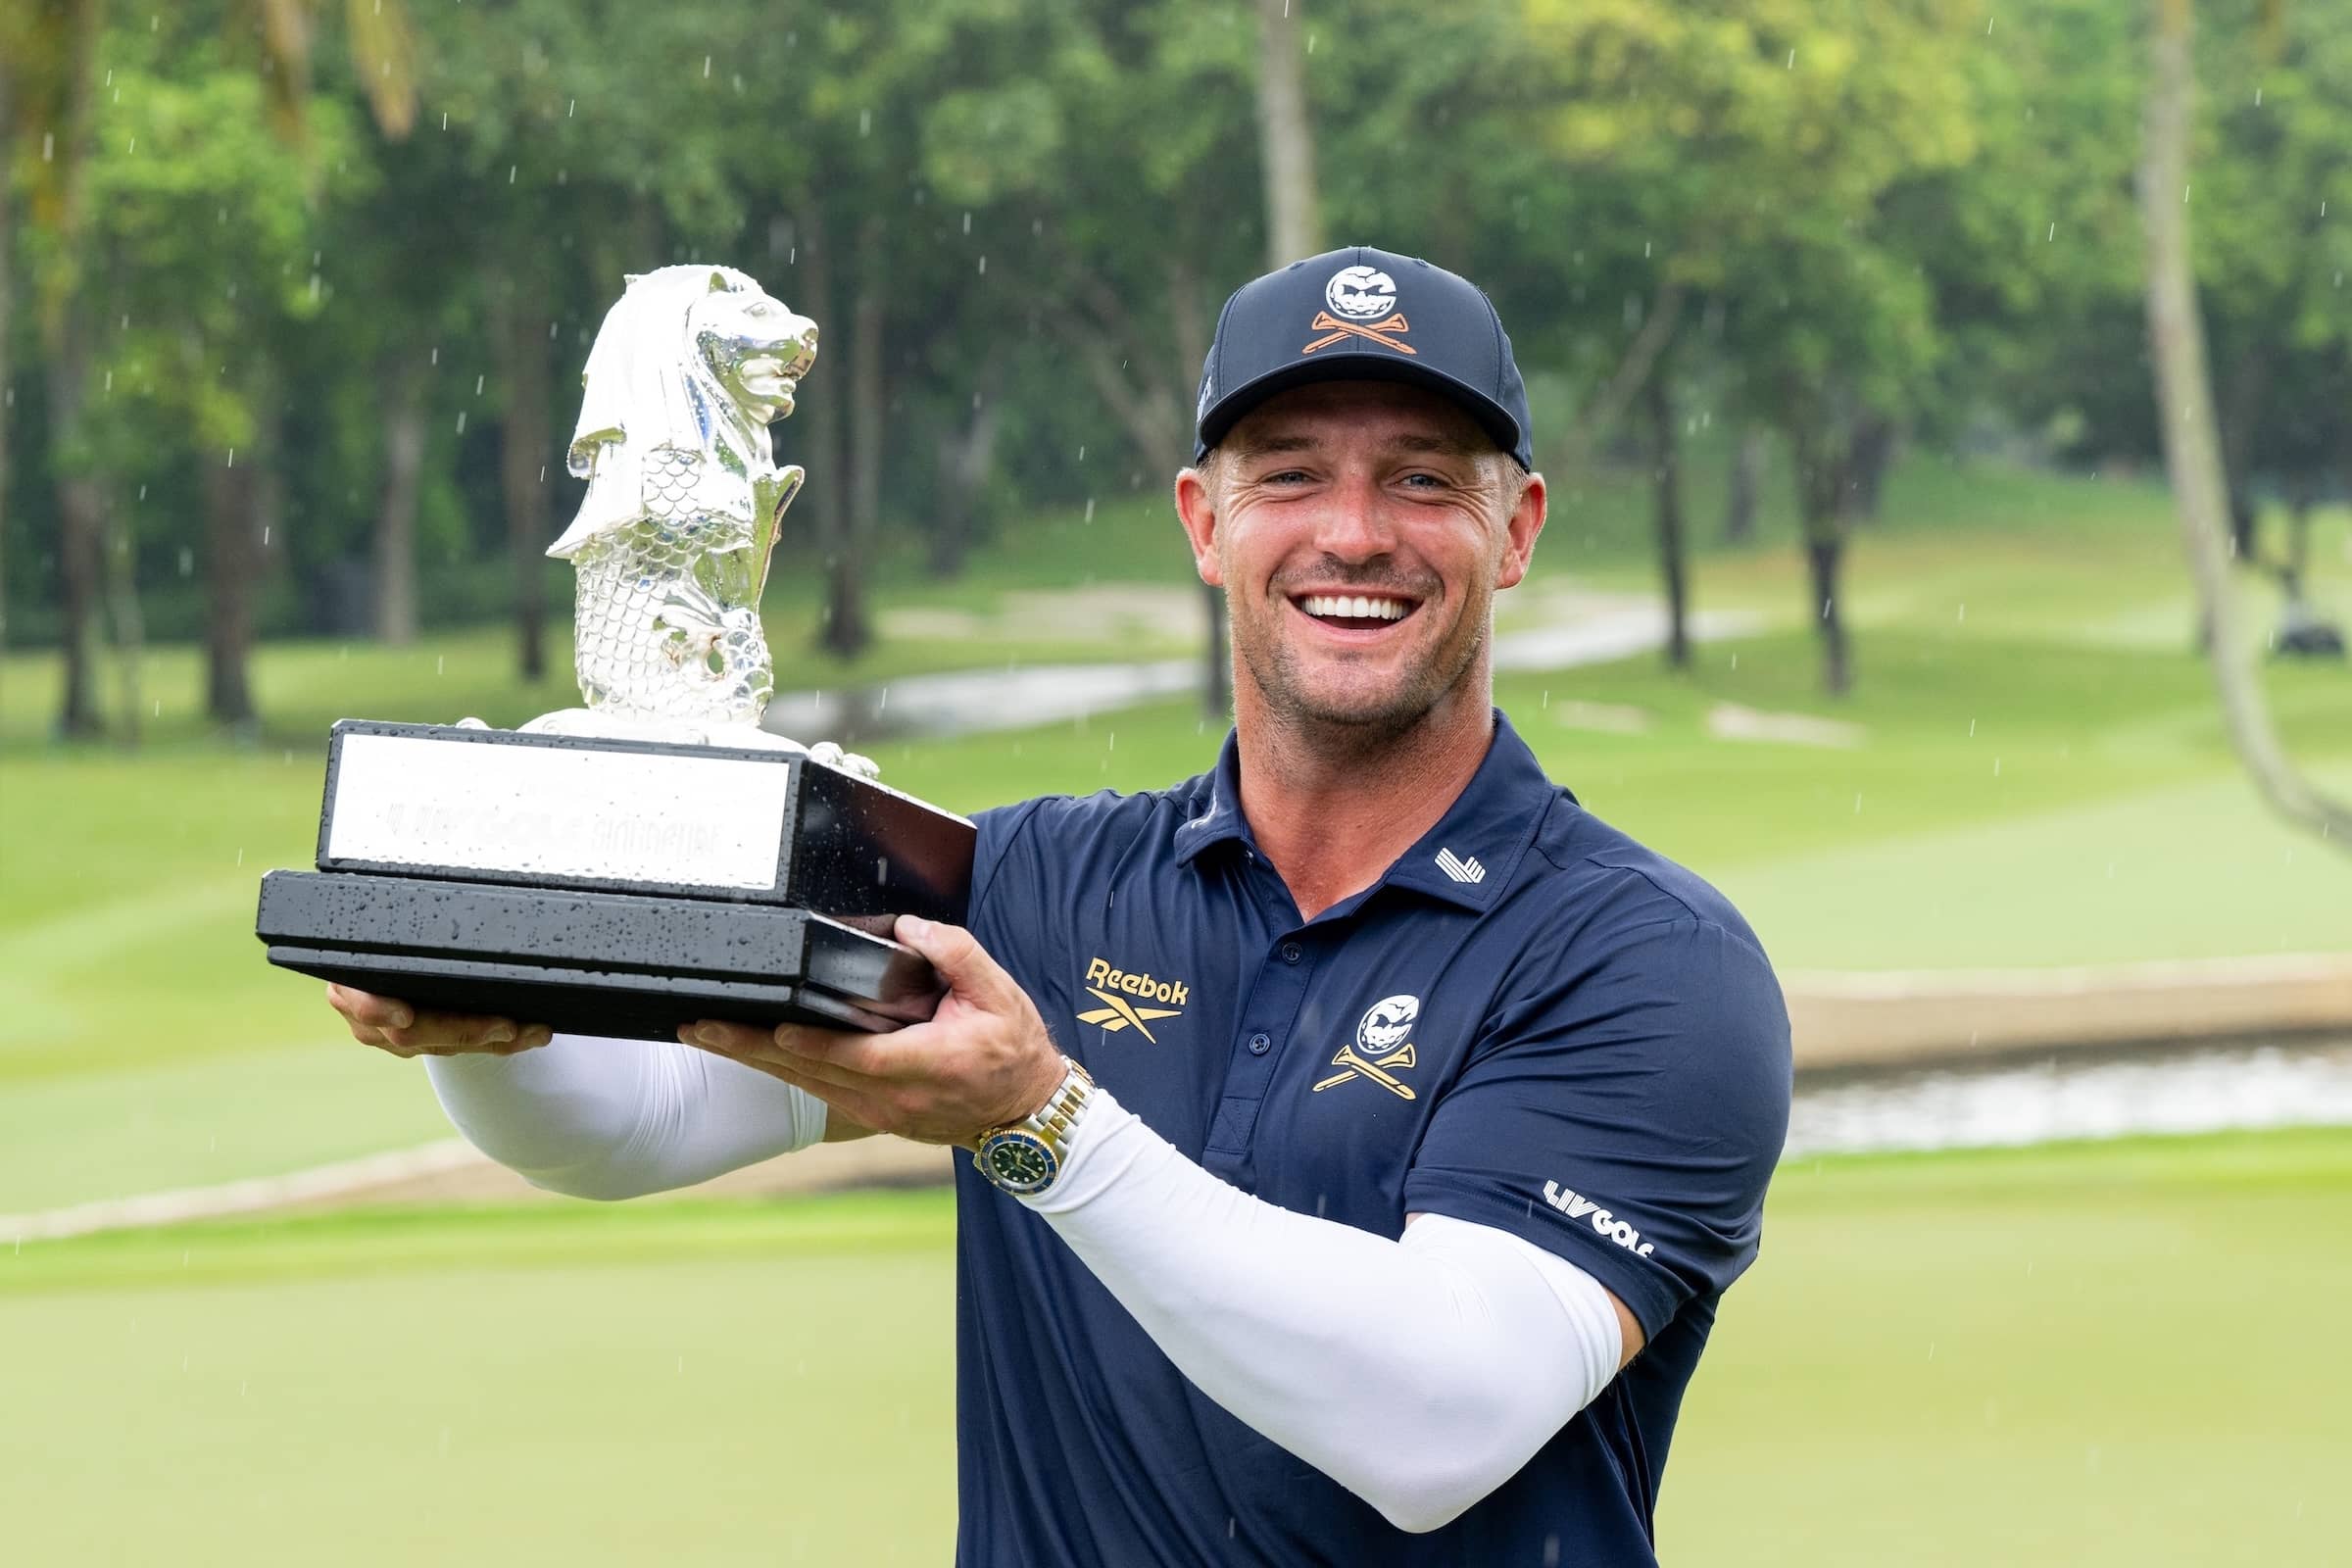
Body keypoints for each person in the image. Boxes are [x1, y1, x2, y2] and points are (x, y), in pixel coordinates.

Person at [328, 245, 1792, 1565]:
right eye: (1287, 473)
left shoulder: (1645, 962)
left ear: (1517, 528)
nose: (1353, 533)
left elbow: (1437, 1427)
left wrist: (1037, 1122)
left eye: (1422, 478)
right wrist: (485, 1021)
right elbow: (633, 1128)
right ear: (1203, 523)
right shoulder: (1033, 887)